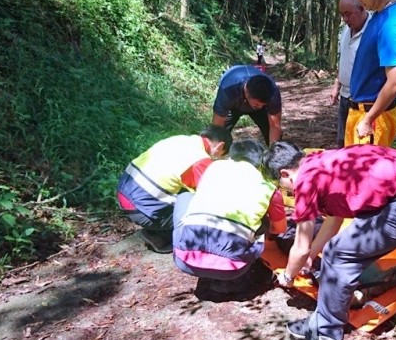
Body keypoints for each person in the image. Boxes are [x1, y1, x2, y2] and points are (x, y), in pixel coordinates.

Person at [264, 141, 396, 340]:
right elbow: (334, 220)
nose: (289, 191)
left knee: (337, 253)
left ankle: (326, 327)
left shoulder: (305, 180)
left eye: (284, 186)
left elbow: (300, 246)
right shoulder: (325, 161)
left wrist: (288, 275)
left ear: (284, 174)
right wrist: (310, 256)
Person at [172, 140, 287, 293]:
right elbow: (279, 228)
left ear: (230, 157)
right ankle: (235, 276)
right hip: (233, 268)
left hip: (184, 260)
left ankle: (184, 242)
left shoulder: (213, 168)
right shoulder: (268, 187)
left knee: (185, 197)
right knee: (263, 221)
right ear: (260, 164)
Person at [116, 125, 232, 254]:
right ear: (220, 146)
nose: (215, 158)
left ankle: (156, 227)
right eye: (220, 155)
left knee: (184, 193)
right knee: (199, 217)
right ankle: (157, 235)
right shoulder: (200, 159)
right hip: (140, 208)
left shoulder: (180, 139)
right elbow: (209, 195)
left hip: (124, 192)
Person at [343, 0, 396, 147]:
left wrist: (368, 119)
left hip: (373, 119)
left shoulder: (393, 25)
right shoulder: (381, 15)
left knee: (364, 174)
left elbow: (395, 81)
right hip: (362, 113)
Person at [330, 0, 371, 148]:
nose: (345, 19)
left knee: (359, 145)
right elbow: (343, 58)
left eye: (348, 14)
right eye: (342, 14)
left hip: (363, 100)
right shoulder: (346, 29)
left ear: (362, 8)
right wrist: (336, 85)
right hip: (345, 96)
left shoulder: (373, 31)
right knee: (342, 141)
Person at [212, 65, 282, 146]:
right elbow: (217, 127)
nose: (260, 106)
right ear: (247, 93)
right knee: (220, 135)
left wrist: (274, 151)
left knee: (273, 136)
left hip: (258, 110)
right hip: (232, 105)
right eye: (257, 104)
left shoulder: (273, 93)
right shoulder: (227, 91)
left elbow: (275, 126)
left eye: (263, 104)